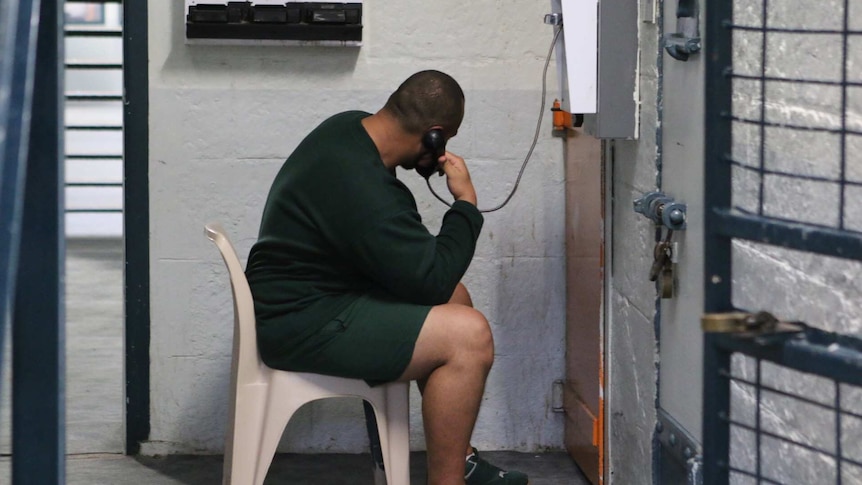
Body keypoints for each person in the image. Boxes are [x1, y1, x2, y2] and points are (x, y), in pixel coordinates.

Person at [246, 70, 528, 485]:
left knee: (457, 297)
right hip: (301, 323)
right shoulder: (365, 185)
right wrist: (466, 203)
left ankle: (460, 462)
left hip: (310, 301)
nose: (444, 149)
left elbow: (422, 275)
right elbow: (427, 279)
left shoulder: (348, 128)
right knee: (470, 335)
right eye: (446, 140)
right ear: (434, 135)